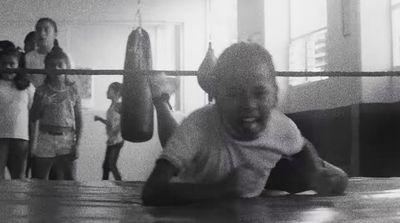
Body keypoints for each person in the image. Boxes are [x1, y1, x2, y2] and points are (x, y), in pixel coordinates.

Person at [142, 42, 348, 206]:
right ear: (216, 96)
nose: (248, 105)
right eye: (233, 94)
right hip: (197, 199)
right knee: (175, 139)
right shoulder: (197, 125)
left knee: (338, 179)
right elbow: (151, 192)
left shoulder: (281, 126)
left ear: (275, 95)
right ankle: (161, 98)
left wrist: (315, 174)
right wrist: (219, 190)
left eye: (259, 93)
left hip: (257, 187)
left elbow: (301, 147)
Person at [30, 46, 82, 180]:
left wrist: (77, 144)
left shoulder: (73, 89)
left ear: (67, 66)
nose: (57, 68)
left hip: (67, 138)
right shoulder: (41, 90)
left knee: (68, 180)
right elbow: (33, 117)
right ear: (47, 68)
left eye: (60, 65)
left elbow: (79, 120)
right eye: (52, 65)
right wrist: (41, 105)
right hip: (45, 138)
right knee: (39, 180)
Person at [0, 42, 34, 179]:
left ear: (18, 65)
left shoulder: (27, 86)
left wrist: (34, 141)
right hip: (0, 136)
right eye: (3, 64)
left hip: (20, 137)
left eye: (11, 64)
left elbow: (33, 115)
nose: (7, 67)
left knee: (19, 177)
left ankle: (19, 201)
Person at [94, 82, 124, 181]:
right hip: (112, 140)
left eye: (109, 90)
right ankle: (104, 186)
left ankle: (122, 187)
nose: (107, 92)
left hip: (117, 140)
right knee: (106, 166)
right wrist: (100, 119)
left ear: (116, 92)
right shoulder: (112, 106)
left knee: (111, 165)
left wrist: (117, 131)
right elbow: (111, 123)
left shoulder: (119, 106)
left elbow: (124, 121)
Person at [25, 17, 59, 87]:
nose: (42, 33)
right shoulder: (27, 57)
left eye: (46, 30)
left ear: (55, 34)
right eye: (38, 30)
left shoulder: (64, 57)